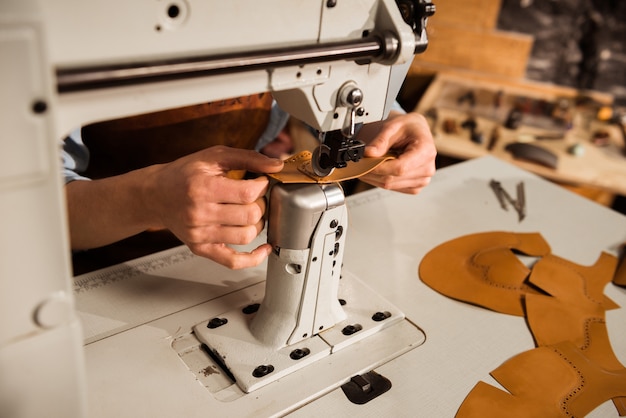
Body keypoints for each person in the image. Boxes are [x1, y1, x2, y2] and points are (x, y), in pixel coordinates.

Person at [63, 101, 436, 270]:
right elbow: (23, 215)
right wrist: (147, 197)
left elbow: (320, 92)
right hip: (101, 268)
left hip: (231, 252)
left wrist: (386, 124)